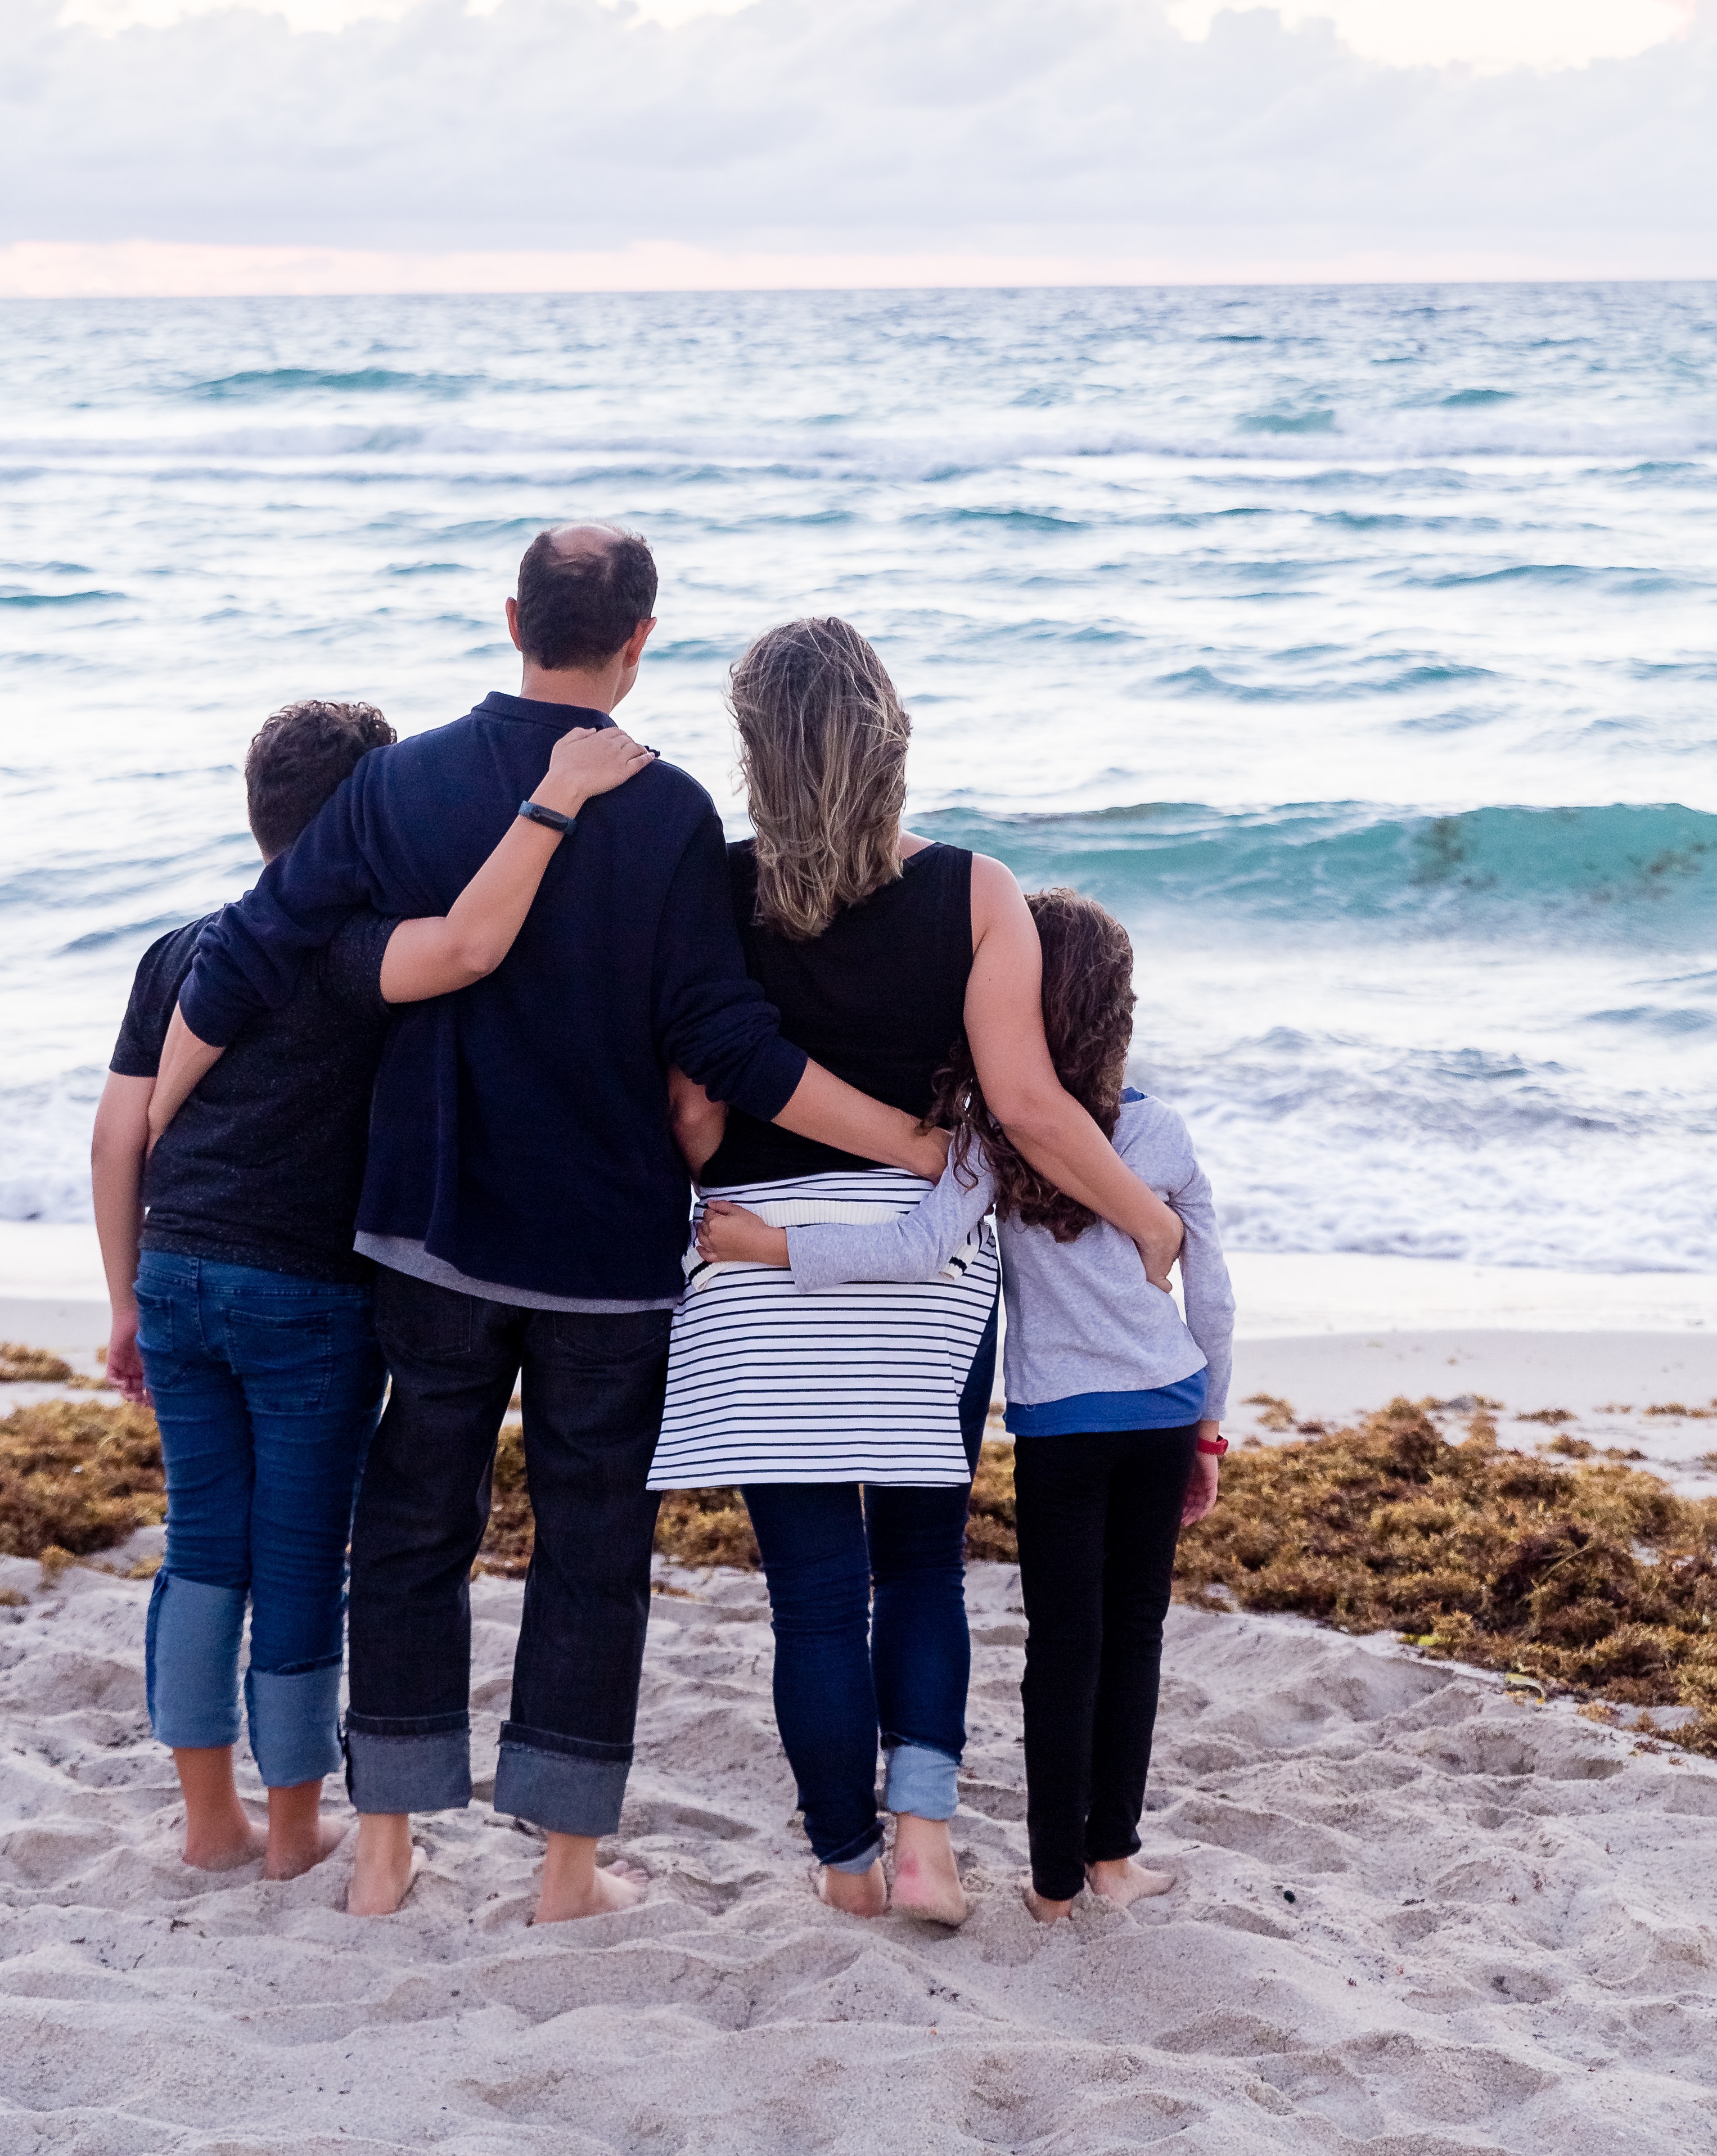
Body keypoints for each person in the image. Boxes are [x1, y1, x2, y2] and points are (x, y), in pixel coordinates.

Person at [148, 528, 947, 1925]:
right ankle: (566, 1873)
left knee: (411, 1529)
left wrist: (158, 1122)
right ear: (641, 639)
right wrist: (915, 1146)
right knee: (589, 1549)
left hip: (432, 1231)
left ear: (511, 614)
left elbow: (253, 947)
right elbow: (727, 1043)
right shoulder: (671, 811)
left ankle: (386, 1846)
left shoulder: (401, 784)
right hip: (603, 1253)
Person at [646, 619, 1188, 1924]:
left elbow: (693, 1125)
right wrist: (1146, 1224)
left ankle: (845, 1867)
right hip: (921, 1272)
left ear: (755, 753)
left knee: (816, 1598)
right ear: (890, 736)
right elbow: (1027, 1105)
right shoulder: (973, 890)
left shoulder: (711, 891)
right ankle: (928, 1842)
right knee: (921, 1568)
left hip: (756, 1268)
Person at [94, 697, 651, 1879]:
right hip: (303, 1297)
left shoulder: (181, 947)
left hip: (176, 1274)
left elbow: (116, 1138)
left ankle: (207, 1822)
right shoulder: (350, 951)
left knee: (203, 1546)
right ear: (369, 815)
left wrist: (125, 1302)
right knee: (298, 1557)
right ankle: (294, 1829)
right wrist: (554, 803)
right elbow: (465, 945)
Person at [707, 885, 1233, 1923]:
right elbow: (1209, 1292)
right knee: (1135, 1636)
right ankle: (1113, 1859)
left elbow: (911, 1251)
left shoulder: (989, 1136)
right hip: (1166, 1410)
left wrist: (768, 1245)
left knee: (1062, 1645)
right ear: (1119, 1013)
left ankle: (1047, 1889)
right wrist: (1210, 1423)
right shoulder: (1159, 1133)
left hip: (1057, 1428)